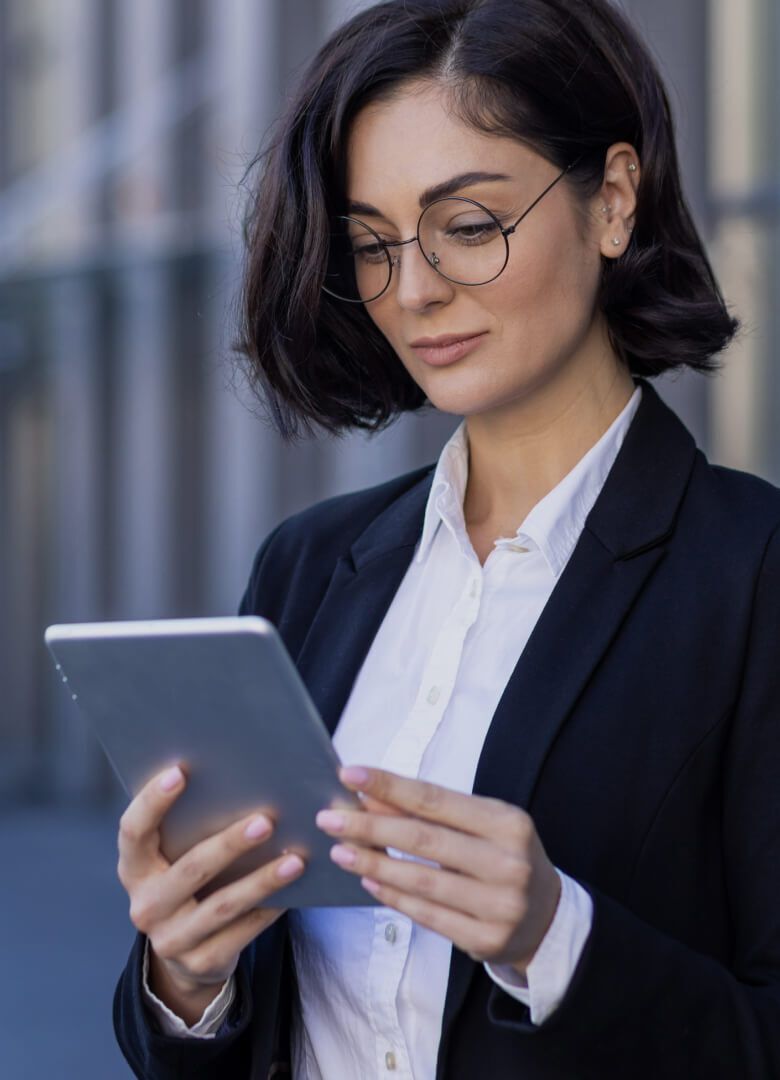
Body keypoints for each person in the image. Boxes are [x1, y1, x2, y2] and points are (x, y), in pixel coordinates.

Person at [112, 1, 780, 1076]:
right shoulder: (309, 567)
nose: (414, 290)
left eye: (468, 226)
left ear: (613, 200)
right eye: (373, 245)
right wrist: (190, 981)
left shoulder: (751, 575)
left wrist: (555, 936)